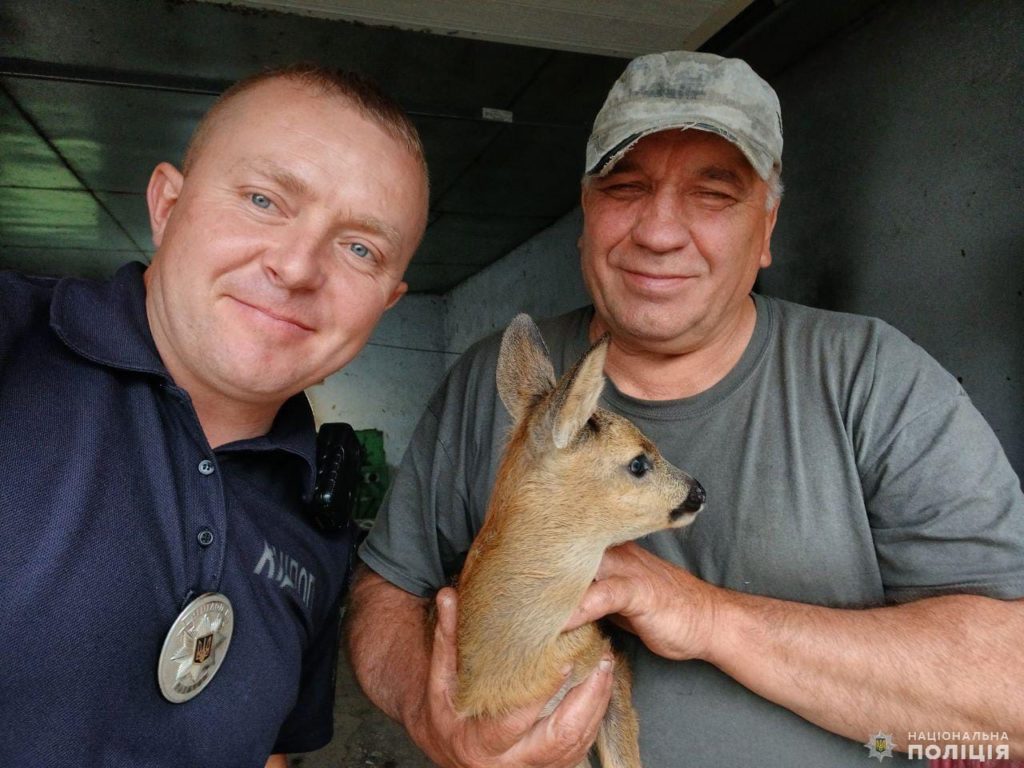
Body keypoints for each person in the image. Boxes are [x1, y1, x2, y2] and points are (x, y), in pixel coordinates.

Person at [346, 51, 1024, 766]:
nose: (660, 232)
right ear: (585, 213)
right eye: (625, 186)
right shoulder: (497, 384)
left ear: (766, 229)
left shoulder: (875, 380)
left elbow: (1010, 702)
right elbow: (386, 590)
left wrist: (704, 616)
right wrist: (431, 714)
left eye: (715, 193)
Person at [0, 64, 428, 768]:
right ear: (168, 203)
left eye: (360, 249)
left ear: (386, 301)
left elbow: (272, 752)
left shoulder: (318, 524)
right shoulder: (15, 346)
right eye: (264, 199)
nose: (297, 266)